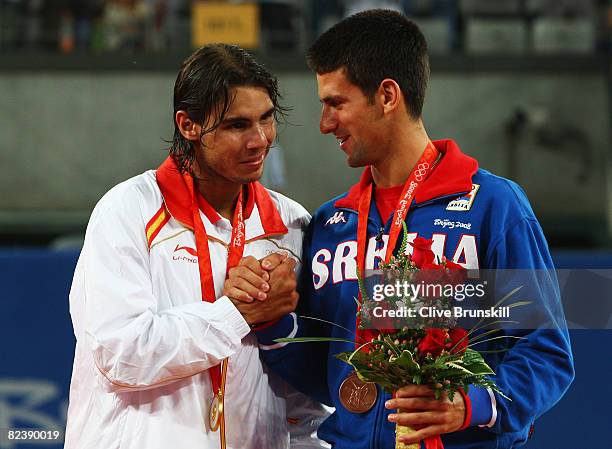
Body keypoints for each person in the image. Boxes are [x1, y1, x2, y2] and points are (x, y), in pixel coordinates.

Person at [225, 9, 574, 449]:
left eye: (336, 103)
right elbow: (323, 374)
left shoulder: (492, 207)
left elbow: (547, 353)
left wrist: (472, 405)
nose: (325, 123)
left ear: (387, 96)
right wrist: (272, 320)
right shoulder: (333, 224)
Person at [64, 43, 329, 449]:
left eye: (267, 119)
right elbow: (122, 354)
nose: (260, 140)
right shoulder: (130, 210)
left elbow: (302, 399)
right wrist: (237, 314)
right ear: (188, 125)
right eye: (238, 125)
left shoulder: (291, 225)